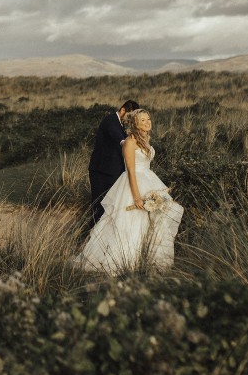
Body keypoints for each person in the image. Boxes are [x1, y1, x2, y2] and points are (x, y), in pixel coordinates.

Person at [76, 109, 183, 274]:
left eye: (148, 119)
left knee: (160, 217)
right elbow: (131, 171)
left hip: (149, 179)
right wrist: (137, 197)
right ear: (135, 124)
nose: (148, 122)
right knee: (132, 222)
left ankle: (150, 260)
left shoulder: (146, 140)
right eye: (143, 120)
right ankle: (126, 262)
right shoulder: (129, 142)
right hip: (133, 184)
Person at [86, 99, 139, 233]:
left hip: (113, 171)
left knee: (109, 205)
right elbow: (117, 137)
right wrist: (126, 144)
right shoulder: (110, 120)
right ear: (122, 110)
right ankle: (90, 236)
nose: (129, 120)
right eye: (129, 116)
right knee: (99, 205)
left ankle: (103, 234)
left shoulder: (121, 124)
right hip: (101, 171)